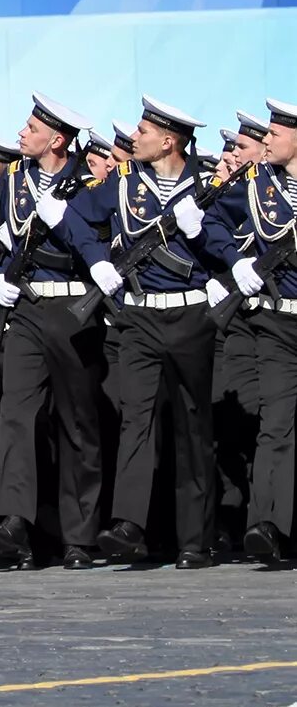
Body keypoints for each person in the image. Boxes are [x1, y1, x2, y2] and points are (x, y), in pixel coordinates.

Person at [79, 97, 239, 568]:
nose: (135, 139)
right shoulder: (125, 184)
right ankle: (128, 524)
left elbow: (238, 246)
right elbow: (76, 217)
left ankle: (195, 538)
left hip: (191, 319)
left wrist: (203, 235)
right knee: (137, 417)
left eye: (144, 132)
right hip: (141, 318)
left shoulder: (208, 187)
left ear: (169, 140)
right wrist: (97, 260)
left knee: (193, 427)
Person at [0, 95, 116, 569]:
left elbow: (100, 240)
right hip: (30, 308)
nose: (21, 132)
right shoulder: (14, 179)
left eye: (31, 127)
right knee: (17, 412)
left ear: (56, 140)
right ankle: (16, 520)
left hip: (74, 310)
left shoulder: (92, 184)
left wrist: (68, 220)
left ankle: (79, 535)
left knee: (77, 424)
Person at [222, 100, 297, 562]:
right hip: (277, 319)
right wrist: (236, 262)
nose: (267, 139)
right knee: (276, 424)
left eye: (275, 133)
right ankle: (266, 524)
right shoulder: (256, 185)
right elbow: (206, 218)